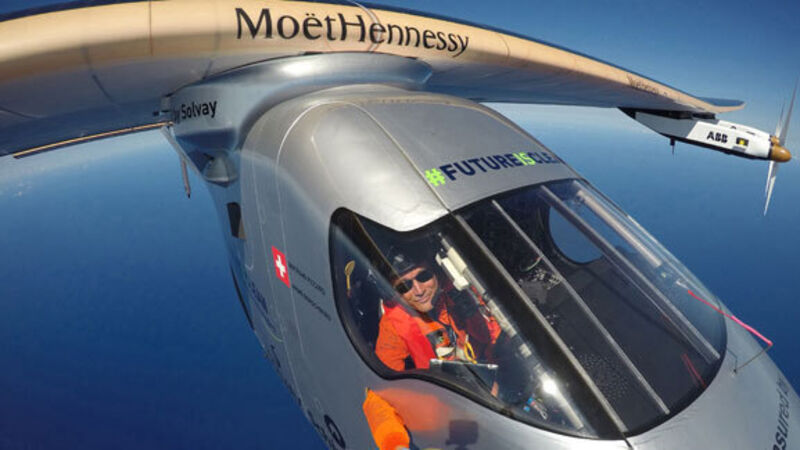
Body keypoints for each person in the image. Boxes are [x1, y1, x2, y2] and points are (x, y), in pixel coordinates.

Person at [375, 249, 500, 371]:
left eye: (423, 276)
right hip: (445, 383)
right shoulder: (394, 322)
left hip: (490, 371)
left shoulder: (464, 287)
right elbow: (386, 375)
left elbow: (500, 337)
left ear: (436, 271)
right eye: (404, 286)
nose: (419, 291)